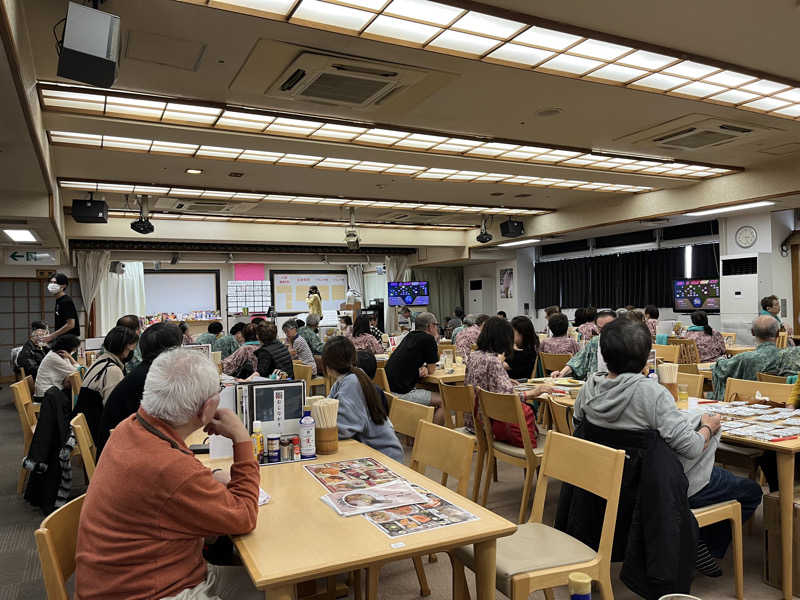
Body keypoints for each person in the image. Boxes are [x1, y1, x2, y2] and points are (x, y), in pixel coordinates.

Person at [573, 318, 762, 569]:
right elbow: (693, 448)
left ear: (604, 355)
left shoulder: (589, 388)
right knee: (750, 491)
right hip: (655, 488)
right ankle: (694, 541)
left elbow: (579, 428)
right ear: (646, 355)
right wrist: (708, 427)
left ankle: (689, 538)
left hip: (607, 483)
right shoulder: (651, 393)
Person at [75, 348, 261, 600]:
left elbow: (171, 484)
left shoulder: (129, 428)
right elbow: (245, 516)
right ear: (207, 408)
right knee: (274, 585)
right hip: (157, 591)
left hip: (117, 582)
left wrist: (210, 475)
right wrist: (241, 438)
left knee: (259, 576)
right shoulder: (170, 467)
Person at [466, 317, 551, 448]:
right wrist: (535, 392)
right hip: (490, 424)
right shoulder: (494, 361)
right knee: (549, 438)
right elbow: (509, 398)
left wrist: (505, 379)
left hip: (474, 421)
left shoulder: (474, 355)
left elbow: (482, 383)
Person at [99, 322, 184, 451]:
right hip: (124, 455)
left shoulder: (146, 371)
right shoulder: (152, 378)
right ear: (172, 350)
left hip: (117, 448)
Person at [325, 336, 403, 461]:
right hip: (369, 451)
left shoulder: (352, 382)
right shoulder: (346, 379)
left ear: (328, 365)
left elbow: (343, 429)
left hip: (383, 456)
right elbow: (328, 409)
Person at [384, 312, 444, 424]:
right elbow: (432, 370)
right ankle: (429, 436)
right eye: (436, 325)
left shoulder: (409, 336)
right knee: (444, 401)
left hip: (388, 392)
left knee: (433, 392)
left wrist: (424, 367)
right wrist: (436, 339)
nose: (437, 327)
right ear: (430, 326)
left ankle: (418, 433)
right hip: (401, 393)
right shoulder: (428, 339)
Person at [712, 315, 782, 399]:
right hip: (781, 403)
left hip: (749, 403)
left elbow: (723, 368)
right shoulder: (786, 357)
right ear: (778, 333)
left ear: (752, 332)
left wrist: (720, 359)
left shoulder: (745, 358)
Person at [80, 326, 139, 406]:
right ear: (124, 346)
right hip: (98, 417)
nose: (132, 350)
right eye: (132, 347)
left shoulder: (100, 360)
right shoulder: (113, 370)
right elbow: (115, 408)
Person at [551, 310, 617, 380]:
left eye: (609, 327)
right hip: (594, 385)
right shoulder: (595, 342)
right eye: (600, 328)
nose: (605, 331)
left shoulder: (625, 344)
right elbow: (577, 361)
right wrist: (561, 373)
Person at [34, 334, 80, 399]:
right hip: (46, 395)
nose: (75, 351)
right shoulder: (54, 357)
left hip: (52, 390)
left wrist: (69, 357)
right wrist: (70, 357)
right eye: (75, 348)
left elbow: (76, 370)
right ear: (69, 347)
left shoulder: (60, 354)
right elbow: (77, 372)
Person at [41, 272, 80, 342]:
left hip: (69, 340)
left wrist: (52, 336)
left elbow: (71, 324)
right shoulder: (59, 300)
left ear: (63, 286)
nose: (52, 285)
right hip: (62, 339)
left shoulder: (66, 301)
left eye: (55, 282)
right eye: (51, 282)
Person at [507, 315, 539, 379]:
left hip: (519, 383)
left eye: (513, 332)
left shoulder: (528, 352)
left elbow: (506, 367)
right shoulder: (515, 347)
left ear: (523, 334)